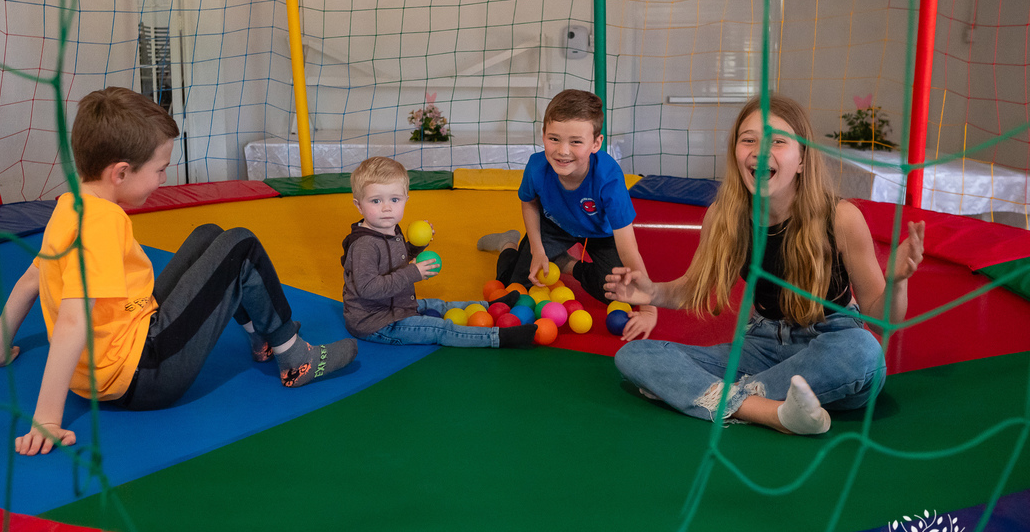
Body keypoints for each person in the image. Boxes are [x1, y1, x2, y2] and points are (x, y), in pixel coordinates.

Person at [0, 87, 357, 456]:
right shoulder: (103, 225)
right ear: (120, 172)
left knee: (209, 235)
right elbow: (73, 321)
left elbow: (31, 280)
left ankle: (262, 337)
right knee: (241, 245)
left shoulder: (69, 205)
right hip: (144, 374)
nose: (163, 179)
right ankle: (295, 357)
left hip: (128, 342)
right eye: (160, 170)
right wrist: (45, 418)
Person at [605, 94, 925, 435]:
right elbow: (690, 290)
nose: (759, 150)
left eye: (778, 142)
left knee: (864, 352)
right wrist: (650, 292)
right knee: (636, 356)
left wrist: (897, 281)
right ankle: (772, 412)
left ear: (802, 159)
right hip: (761, 345)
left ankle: (718, 396)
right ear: (737, 152)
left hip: (830, 346)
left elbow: (882, 321)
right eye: (749, 140)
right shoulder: (725, 217)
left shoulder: (841, 218)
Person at [477, 89, 657, 341]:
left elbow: (628, 249)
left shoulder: (609, 179)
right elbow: (528, 203)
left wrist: (649, 308)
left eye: (575, 141)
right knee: (515, 289)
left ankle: (566, 264)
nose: (563, 151)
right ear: (543, 136)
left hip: (599, 233)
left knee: (617, 292)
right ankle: (507, 242)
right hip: (555, 225)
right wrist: (538, 249)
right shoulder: (537, 167)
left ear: (596, 143)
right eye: (554, 139)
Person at [342, 157, 537, 348]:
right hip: (377, 323)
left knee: (438, 305)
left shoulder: (389, 227)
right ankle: (498, 337)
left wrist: (418, 246)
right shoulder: (364, 245)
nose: (386, 208)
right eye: (376, 201)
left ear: (406, 199)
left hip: (398, 305)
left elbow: (393, 259)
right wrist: (413, 272)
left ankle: (491, 306)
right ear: (359, 205)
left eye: (394, 199)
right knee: (439, 329)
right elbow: (368, 288)